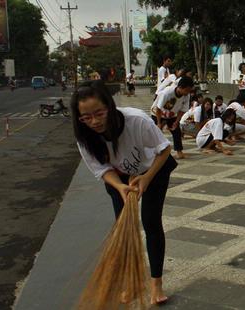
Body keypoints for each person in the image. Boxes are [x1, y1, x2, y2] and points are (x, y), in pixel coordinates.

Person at [70, 80, 176, 305]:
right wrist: (119, 186)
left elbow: (165, 148)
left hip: (153, 169)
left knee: (151, 222)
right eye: (86, 117)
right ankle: (131, 281)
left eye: (99, 113)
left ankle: (156, 283)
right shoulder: (84, 137)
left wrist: (147, 178)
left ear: (109, 106)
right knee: (124, 226)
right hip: (118, 176)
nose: (94, 121)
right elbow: (102, 170)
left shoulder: (136, 121)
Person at [151, 77, 194, 159]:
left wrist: (177, 121)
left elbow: (182, 110)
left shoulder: (186, 95)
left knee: (176, 131)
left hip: (171, 114)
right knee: (156, 132)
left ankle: (179, 152)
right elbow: (158, 109)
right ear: (180, 87)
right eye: (186, 90)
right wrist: (159, 123)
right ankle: (153, 152)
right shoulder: (167, 93)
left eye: (189, 90)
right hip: (157, 113)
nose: (188, 93)